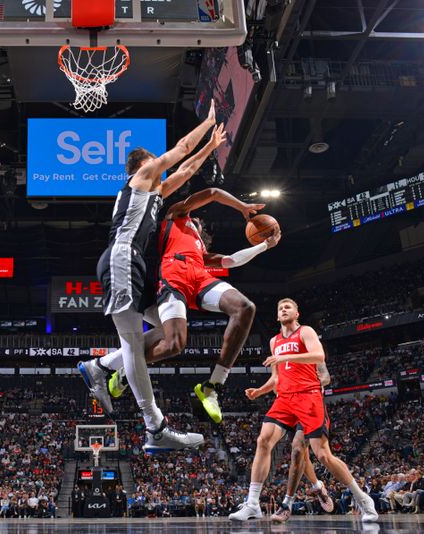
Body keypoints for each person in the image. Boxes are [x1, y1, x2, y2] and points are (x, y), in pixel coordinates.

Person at [78, 102, 224, 450]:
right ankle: (155, 427)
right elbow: (180, 151)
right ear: (142, 166)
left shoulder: (154, 193)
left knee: (164, 328)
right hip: (122, 258)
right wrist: (207, 123)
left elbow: (186, 169)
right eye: (155, 161)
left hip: (135, 265)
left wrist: (211, 148)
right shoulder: (139, 179)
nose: (161, 165)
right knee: (132, 343)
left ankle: (98, 367)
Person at [90, 188, 272, 424]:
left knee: (245, 308)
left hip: (200, 277)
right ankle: (126, 371)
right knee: (175, 344)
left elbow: (232, 260)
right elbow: (214, 192)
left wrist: (265, 245)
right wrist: (242, 206)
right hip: (173, 275)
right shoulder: (176, 215)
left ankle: (212, 386)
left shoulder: (201, 250)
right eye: (197, 218)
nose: (198, 220)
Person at [230, 298, 378, 522]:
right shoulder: (274, 341)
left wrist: (286, 356)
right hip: (285, 399)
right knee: (263, 440)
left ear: (297, 313)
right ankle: (252, 503)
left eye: (288, 307)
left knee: (323, 455)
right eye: (280, 308)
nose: (284, 310)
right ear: (277, 316)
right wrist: (260, 391)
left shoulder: (306, 332)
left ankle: (363, 499)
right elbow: (277, 378)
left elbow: (319, 356)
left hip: (308, 396)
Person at [267, 362, 334, 522]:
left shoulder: (311, 351)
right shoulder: (280, 357)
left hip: (310, 405)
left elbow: (325, 378)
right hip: (290, 407)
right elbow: (276, 387)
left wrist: (303, 385)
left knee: (299, 450)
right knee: (301, 455)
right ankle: (318, 486)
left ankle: (286, 504)